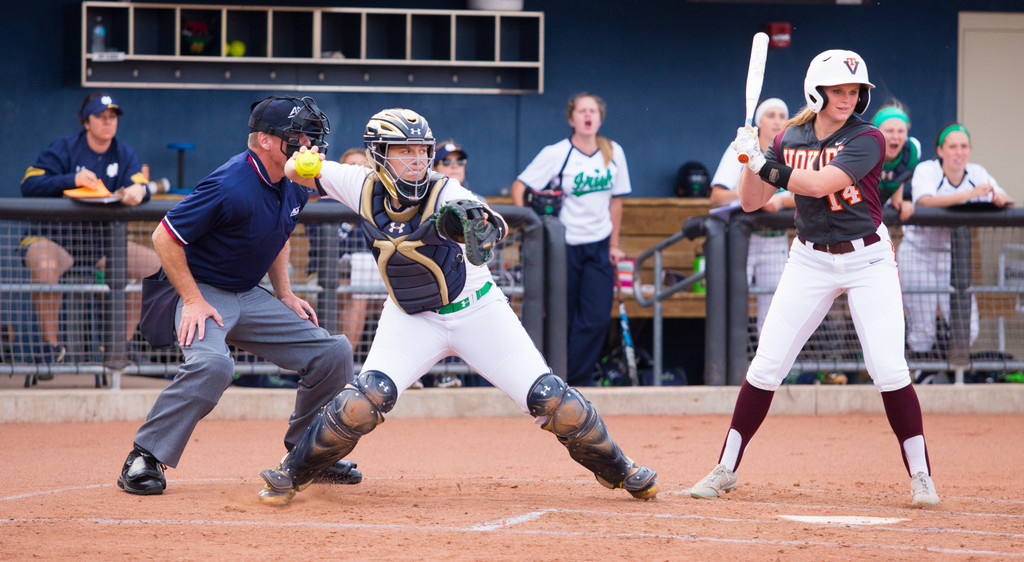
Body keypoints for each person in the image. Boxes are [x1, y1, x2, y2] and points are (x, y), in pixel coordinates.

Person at [255, 108, 658, 505]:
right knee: (362, 401)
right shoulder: (357, 182)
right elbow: (298, 171)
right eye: (404, 151)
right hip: (410, 318)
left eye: (421, 151)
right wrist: (302, 164)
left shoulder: (446, 189)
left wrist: (474, 225)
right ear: (379, 154)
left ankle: (620, 468)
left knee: (550, 399)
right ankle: (291, 473)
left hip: (479, 312)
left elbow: (490, 224)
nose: (416, 161)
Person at [689, 50, 941, 506]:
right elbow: (751, 202)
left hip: (868, 261)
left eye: (854, 91)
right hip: (809, 259)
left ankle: (921, 475)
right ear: (816, 91)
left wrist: (763, 161)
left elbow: (818, 183)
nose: (847, 99)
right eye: (838, 90)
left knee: (888, 368)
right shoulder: (790, 136)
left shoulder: (867, 137)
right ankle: (726, 468)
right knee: (766, 364)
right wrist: (748, 158)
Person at [116, 96, 361, 496]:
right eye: (296, 135)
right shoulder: (230, 181)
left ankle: (310, 454)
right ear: (265, 140)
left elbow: (281, 233)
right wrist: (193, 300)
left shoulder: (296, 178)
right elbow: (164, 236)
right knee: (214, 366)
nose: (307, 142)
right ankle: (144, 456)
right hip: (201, 290)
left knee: (333, 352)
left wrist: (284, 293)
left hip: (249, 293)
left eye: (308, 135)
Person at [20, 92, 161, 371]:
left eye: (112, 117)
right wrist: (71, 179)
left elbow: (140, 183)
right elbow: (29, 183)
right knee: (45, 266)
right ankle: (51, 348)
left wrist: (139, 190)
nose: (108, 122)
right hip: (53, 239)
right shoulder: (65, 147)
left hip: (100, 244)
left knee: (155, 267)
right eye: (101, 117)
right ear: (86, 122)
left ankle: (122, 343)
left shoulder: (124, 153)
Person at [510, 92, 631, 387]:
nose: (588, 116)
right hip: (564, 245)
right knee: (564, 315)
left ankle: (573, 379)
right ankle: (556, 376)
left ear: (600, 118)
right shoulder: (557, 152)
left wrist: (614, 244)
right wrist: (532, 227)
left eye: (593, 111)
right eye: (582, 111)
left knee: (597, 317)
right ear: (571, 118)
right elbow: (520, 187)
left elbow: (616, 201)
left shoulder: (613, 151)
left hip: (599, 244)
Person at [896, 123, 1015, 361]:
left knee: (968, 330)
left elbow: (1007, 199)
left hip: (951, 257)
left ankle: (941, 366)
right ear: (940, 150)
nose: (959, 152)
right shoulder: (927, 169)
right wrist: (969, 195)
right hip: (918, 254)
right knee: (923, 331)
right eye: (952, 147)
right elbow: (925, 202)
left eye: (964, 146)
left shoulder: (977, 172)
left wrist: (1001, 199)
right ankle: (922, 373)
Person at [709, 97, 794, 334]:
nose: (777, 121)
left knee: (774, 309)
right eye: (770, 115)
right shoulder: (743, 147)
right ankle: (733, 369)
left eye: (781, 116)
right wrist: (754, 196)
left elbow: (806, 192)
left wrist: (779, 199)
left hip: (775, 240)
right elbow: (716, 197)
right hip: (743, 240)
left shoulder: (791, 149)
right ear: (759, 122)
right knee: (733, 303)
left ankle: (769, 369)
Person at [871, 103, 918, 222]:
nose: (895, 136)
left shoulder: (911, 151)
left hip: (881, 219)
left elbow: (900, 179)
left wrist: (903, 202)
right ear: (876, 133)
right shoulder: (862, 151)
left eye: (901, 131)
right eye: (889, 131)